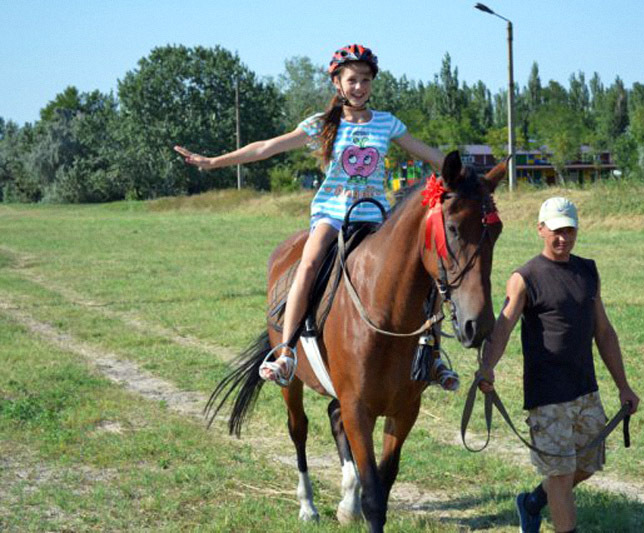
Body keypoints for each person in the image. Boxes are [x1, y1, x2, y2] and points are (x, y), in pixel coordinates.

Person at [174, 44, 458, 390]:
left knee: (422, 267)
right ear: (337, 83)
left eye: (365, 80)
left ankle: (433, 355)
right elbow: (267, 147)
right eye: (352, 80)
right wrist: (215, 162)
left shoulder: (387, 123)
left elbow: (429, 154)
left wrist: (467, 175)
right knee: (308, 265)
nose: (360, 87)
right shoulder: (323, 124)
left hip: (376, 217)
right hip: (333, 215)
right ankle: (286, 352)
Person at [477, 197, 640, 533]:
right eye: (555, 230)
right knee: (561, 475)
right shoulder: (525, 277)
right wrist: (487, 367)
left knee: (589, 462)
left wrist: (623, 385)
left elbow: (604, 331)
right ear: (540, 229)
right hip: (547, 395)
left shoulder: (587, 271)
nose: (563, 238)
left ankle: (533, 501)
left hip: (585, 389)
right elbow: (504, 325)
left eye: (569, 230)